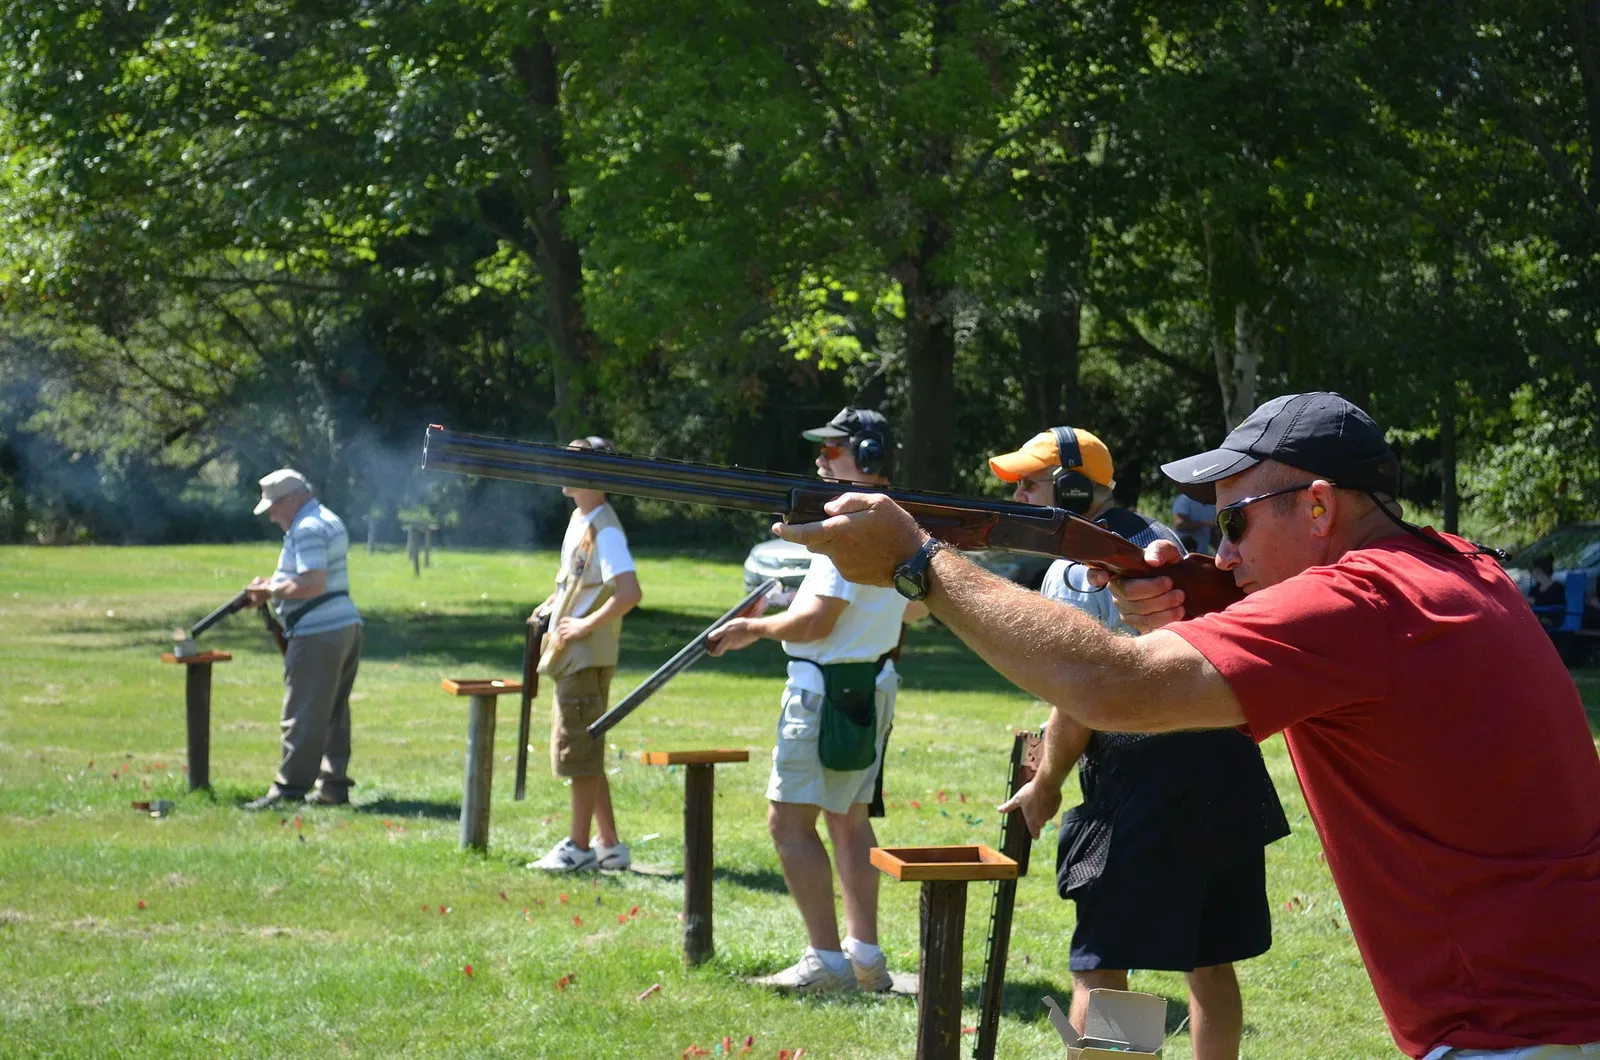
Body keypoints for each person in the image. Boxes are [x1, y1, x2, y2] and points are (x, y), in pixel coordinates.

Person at [774, 392, 1600, 1059]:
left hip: (1505, 1030)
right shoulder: (1456, 564)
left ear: (1318, 506)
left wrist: (918, 561)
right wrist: (1198, 599)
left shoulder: (1359, 603)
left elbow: (1103, 685)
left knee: (1104, 963)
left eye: (1234, 523)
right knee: (1206, 963)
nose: (1226, 552)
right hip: (1543, 992)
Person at [988, 428, 1286, 1060]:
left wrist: (1046, 783)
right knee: (1209, 960)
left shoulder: (1082, 570)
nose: (1019, 494)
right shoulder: (1152, 539)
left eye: (1031, 483)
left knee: (1103, 967)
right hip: (1223, 762)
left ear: (1072, 489)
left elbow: (1086, 698)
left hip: (1146, 778)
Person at [707, 407, 924, 995]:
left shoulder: (847, 526)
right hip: (871, 683)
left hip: (825, 691)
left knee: (788, 822)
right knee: (849, 823)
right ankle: (865, 957)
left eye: (833, 452)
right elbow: (918, 608)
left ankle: (827, 961)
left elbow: (816, 620)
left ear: (868, 458)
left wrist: (754, 629)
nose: (820, 461)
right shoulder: (900, 523)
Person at [530, 436, 644, 872]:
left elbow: (629, 592)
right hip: (572, 655)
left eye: (573, 462)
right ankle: (609, 845)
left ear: (595, 474)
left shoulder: (606, 529)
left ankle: (578, 848)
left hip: (586, 656)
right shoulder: (581, 518)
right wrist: (551, 606)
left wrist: (583, 625)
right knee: (586, 750)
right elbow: (577, 583)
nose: (563, 468)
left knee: (577, 754)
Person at [243, 469, 364, 810]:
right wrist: (274, 585)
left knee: (303, 712)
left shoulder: (308, 528)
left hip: (318, 632)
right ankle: (332, 785)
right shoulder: (326, 520)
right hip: (342, 627)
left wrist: (268, 589)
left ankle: (289, 789)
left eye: (274, 505)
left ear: (293, 498)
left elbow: (312, 583)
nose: (271, 514)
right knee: (333, 712)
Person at [1527, 554, 1567, 628]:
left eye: (1532, 571)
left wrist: (1535, 601)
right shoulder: (1535, 589)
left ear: (1539, 571)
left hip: (1551, 621)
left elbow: (1557, 606)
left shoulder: (1558, 588)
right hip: (1536, 619)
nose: (1531, 574)